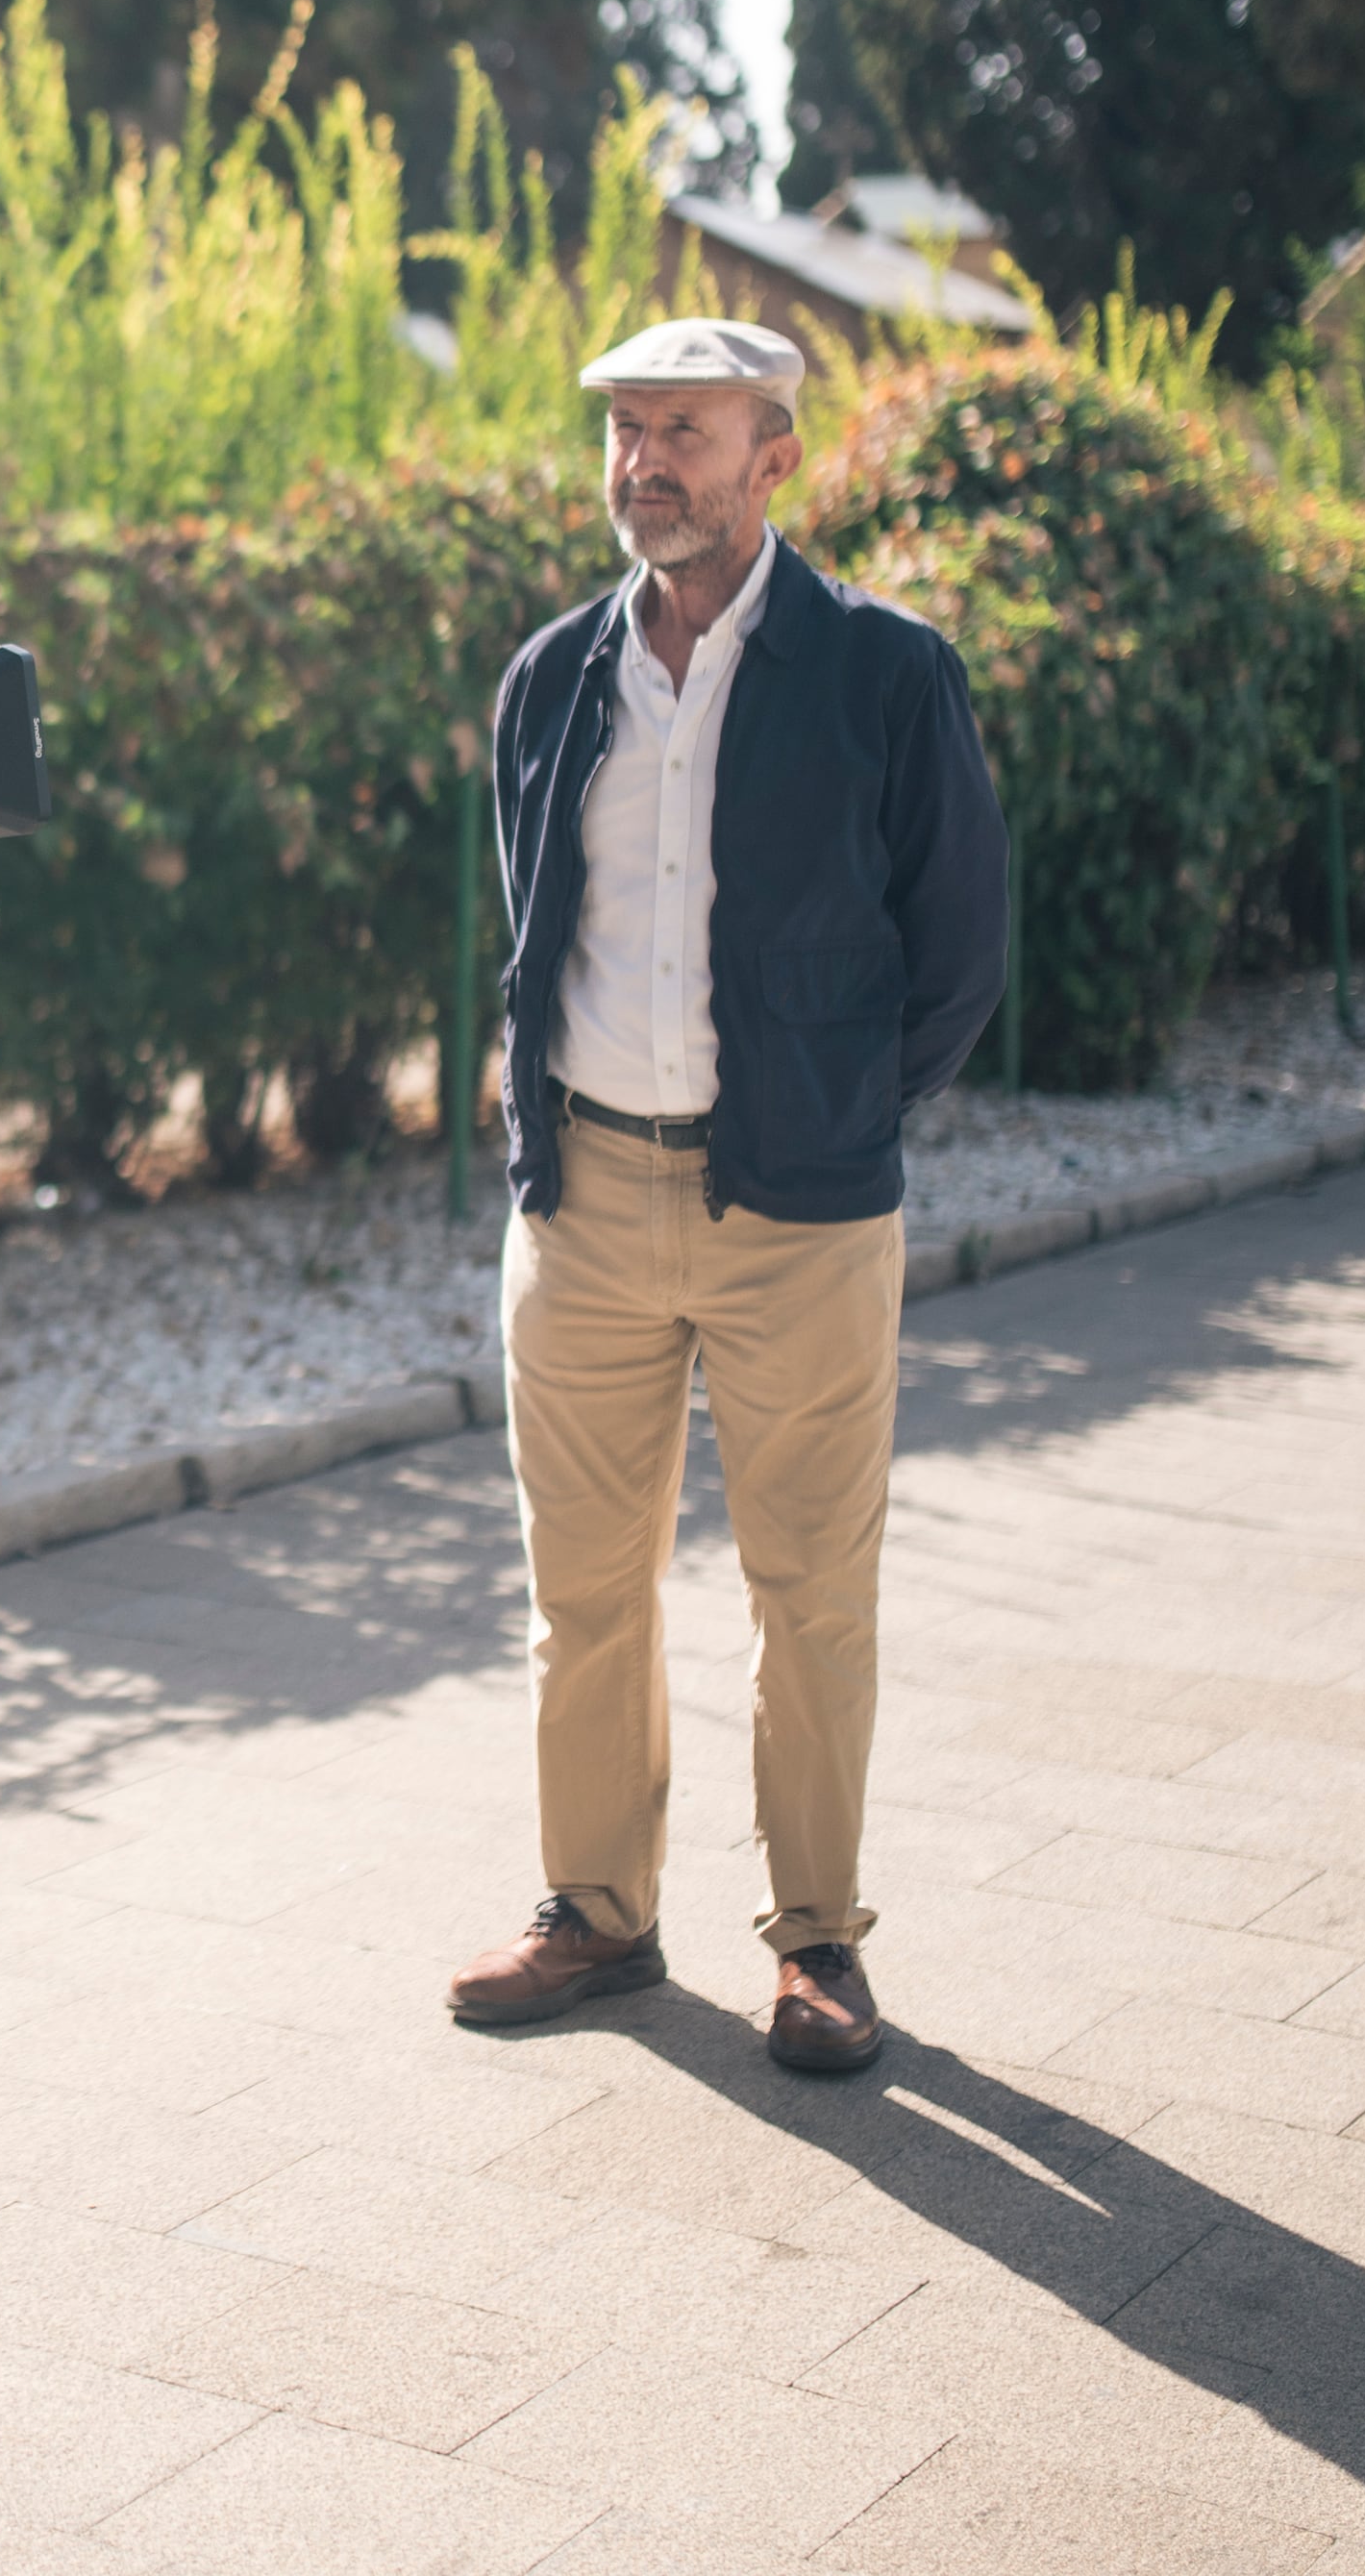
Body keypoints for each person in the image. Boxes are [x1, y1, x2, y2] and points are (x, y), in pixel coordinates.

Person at [445, 316, 1006, 2076]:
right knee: (583, 1587)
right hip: (587, 1202)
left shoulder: (885, 675)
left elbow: (962, 948)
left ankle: (821, 1942)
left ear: (776, 451)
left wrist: (836, 1113)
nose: (645, 463)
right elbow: (538, 933)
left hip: (804, 1214)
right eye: (624, 430)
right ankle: (597, 1915)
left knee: (811, 1590)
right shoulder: (551, 679)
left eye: (683, 431)